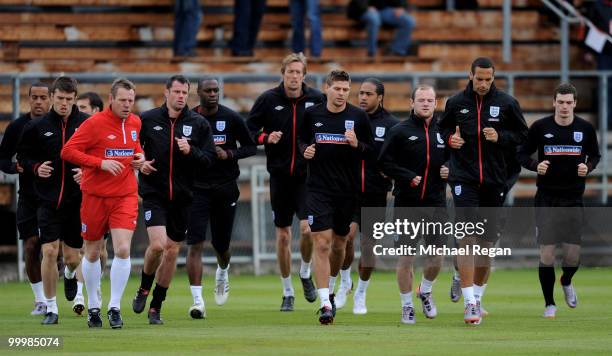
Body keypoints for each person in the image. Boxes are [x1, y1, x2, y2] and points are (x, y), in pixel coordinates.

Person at [439, 57, 528, 324]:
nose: (483, 84)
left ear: (493, 77)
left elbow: (523, 137)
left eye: (488, 79)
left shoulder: (507, 103)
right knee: (467, 239)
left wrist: (501, 137)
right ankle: (469, 304)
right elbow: (441, 132)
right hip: (463, 179)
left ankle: (477, 297)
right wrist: (450, 140)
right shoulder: (455, 103)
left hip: (494, 180)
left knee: (486, 246)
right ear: (470, 75)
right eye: (479, 79)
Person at [132, 75, 216, 325]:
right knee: (158, 246)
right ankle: (143, 288)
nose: (181, 96)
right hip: (154, 193)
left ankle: (156, 306)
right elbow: (134, 147)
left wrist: (192, 151)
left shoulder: (198, 124)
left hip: (183, 197)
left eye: (184, 93)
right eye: (177, 92)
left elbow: (209, 159)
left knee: (171, 251)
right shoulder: (147, 119)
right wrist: (140, 162)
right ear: (166, 92)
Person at [61, 78, 144, 329]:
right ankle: (93, 306)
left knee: (121, 249)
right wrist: (99, 163)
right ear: (111, 99)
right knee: (93, 252)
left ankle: (114, 307)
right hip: (95, 196)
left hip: (125, 195)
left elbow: (135, 148)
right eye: (122, 100)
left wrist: (139, 159)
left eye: (131, 100)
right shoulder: (94, 123)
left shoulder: (135, 123)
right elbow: (67, 151)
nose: (127, 105)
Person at [247, 53, 325, 311]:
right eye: (290, 72)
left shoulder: (316, 99)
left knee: (306, 230)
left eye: (298, 72)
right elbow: (248, 131)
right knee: (282, 236)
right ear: (283, 73)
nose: (294, 76)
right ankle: (287, 291)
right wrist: (265, 138)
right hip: (279, 176)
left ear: (304, 75)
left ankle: (304, 272)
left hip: (308, 176)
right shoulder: (268, 100)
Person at [517, 83, 600, 318]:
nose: (564, 106)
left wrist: (589, 166)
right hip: (547, 197)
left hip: (573, 197)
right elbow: (522, 153)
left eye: (568, 102)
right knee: (547, 254)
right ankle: (549, 304)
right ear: (554, 102)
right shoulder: (541, 127)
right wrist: (535, 165)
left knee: (573, 255)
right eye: (560, 102)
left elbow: (595, 155)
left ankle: (566, 280)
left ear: (575, 104)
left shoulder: (585, 129)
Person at [298, 69, 374, 324]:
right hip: (319, 189)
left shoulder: (359, 117)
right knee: (321, 242)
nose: (341, 94)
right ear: (327, 88)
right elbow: (300, 141)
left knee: (340, 244)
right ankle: (324, 303)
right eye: (337, 89)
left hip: (348, 190)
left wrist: (357, 145)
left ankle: (330, 288)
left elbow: (371, 151)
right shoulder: (312, 115)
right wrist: (304, 151)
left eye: (345, 89)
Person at [18, 76, 89, 325]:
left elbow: (97, 154)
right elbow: (22, 158)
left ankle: (70, 274)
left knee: (72, 258)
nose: (64, 104)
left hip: (76, 201)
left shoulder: (87, 123)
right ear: (52, 97)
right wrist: (36, 167)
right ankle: (51, 308)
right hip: (46, 200)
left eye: (69, 100)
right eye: (60, 99)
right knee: (49, 250)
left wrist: (86, 171)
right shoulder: (36, 127)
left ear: (75, 99)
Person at [186, 77, 256, 318]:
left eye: (216, 90)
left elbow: (250, 147)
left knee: (221, 245)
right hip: (196, 188)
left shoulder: (231, 117)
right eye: (209, 90)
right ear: (198, 93)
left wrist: (229, 153)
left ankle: (222, 271)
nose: (213, 93)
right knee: (194, 243)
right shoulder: (190, 119)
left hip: (225, 187)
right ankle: (197, 302)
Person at [379, 84, 449, 324]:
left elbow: (456, 161)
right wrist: (407, 176)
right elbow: (384, 163)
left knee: (437, 255)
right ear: (412, 103)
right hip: (407, 204)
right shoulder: (399, 131)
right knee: (406, 258)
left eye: (430, 100)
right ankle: (407, 306)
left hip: (437, 203)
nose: (426, 103)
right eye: (421, 100)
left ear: (436, 103)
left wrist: (451, 170)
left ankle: (426, 290)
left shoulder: (444, 132)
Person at [334, 78, 399, 314]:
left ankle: (361, 293)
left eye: (368, 94)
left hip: (375, 192)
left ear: (380, 97)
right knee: (345, 239)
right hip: (348, 190)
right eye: (360, 93)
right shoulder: (346, 118)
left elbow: (396, 157)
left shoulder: (391, 124)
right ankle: (345, 282)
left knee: (369, 246)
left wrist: (389, 172)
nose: (363, 97)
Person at [0, 82, 50, 316]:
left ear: (50, 99)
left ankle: (68, 279)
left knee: (55, 249)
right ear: (28, 99)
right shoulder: (16, 127)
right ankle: (40, 300)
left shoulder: (58, 125)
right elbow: (2, 159)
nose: (38, 102)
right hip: (29, 196)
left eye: (43, 97)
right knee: (31, 246)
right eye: (34, 97)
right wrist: (14, 167)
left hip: (55, 195)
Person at [72, 90, 107, 316]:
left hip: (100, 195)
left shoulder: (107, 131)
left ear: (96, 110)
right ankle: (79, 293)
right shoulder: (78, 130)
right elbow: (68, 154)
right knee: (81, 249)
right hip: (75, 196)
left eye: (83, 108)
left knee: (101, 251)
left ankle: (95, 286)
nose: (78, 111)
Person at [350, 0, 416, 57]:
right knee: (374, 18)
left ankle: (397, 51)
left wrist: (401, 6)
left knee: (408, 21)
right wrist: (365, 7)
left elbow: (401, 2)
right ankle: (371, 52)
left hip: (385, 10)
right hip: (364, 9)